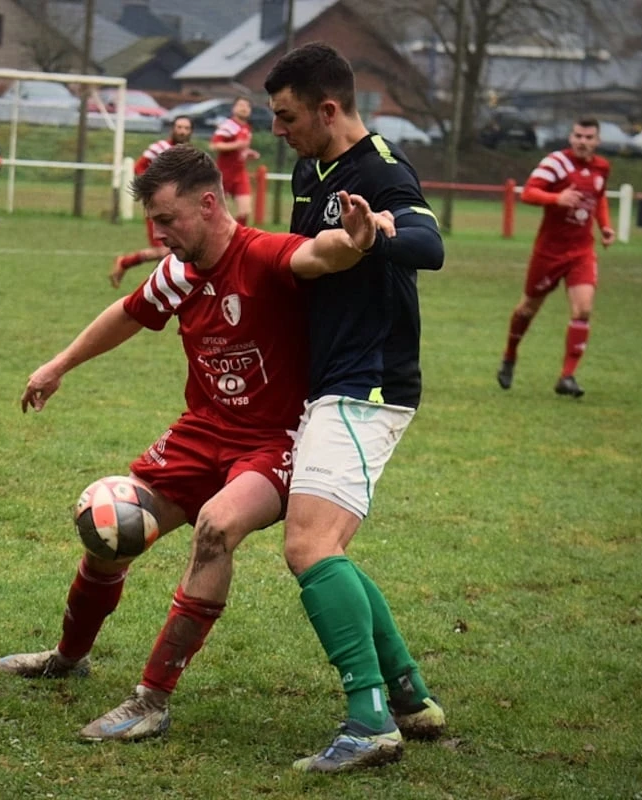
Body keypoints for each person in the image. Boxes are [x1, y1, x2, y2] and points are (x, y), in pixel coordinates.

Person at [0, 146, 392, 743]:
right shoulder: (178, 272)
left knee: (215, 528)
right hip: (200, 432)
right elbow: (127, 313)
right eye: (153, 221)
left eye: (168, 219)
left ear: (208, 204)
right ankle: (68, 658)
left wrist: (356, 240)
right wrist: (59, 365)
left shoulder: (262, 254)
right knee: (111, 526)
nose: (159, 233)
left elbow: (318, 253)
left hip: (272, 442)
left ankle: (152, 698)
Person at [263, 42, 447, 773]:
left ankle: (369, 721)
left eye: (287, 117)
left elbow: (430, 244)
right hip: (333, 379)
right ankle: (407, 693)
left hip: (368, 383)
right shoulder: (314, 166)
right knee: (325, 549)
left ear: (328, 109)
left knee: (307, 547)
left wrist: (378, 237)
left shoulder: (380, 170)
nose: (278, 131)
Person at [497, 117, 614, 398]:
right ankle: (510, 354)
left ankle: (567, 376)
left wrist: (605, 225)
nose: (582, 141)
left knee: (583, 309)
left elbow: (598, 198)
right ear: (571, 137)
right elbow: (528, 192)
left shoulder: (602, 167)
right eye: (578, 136)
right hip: (549, 252)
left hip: (582, 251)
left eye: (588, 137)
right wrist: (556, 199)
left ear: (597, 141)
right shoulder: (556, 163)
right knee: (527, 309)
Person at [110, 115, 194, 288]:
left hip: (175, 209)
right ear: (173, 128)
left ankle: (153, 290)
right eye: (179, 127)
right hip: (157, 208)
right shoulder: (160, 148)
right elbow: (139, 167)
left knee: (171, 252)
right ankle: (126, 264)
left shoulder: (188, 154)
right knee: (165, 250)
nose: (182, 131)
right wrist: (154, 190)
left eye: (186, 128)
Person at [208, 96, 260, 226]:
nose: (244, 108)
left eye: (247, 106)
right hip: (224, 173)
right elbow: (215, 145)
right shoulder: (228, 126)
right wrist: (236, 145)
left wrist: (248, 152)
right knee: (217, 212)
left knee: (245, 211)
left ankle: (237, 240)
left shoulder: (247, 127)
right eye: (241, 105)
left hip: (240, 173)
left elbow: (241, 148)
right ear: (233, 108)